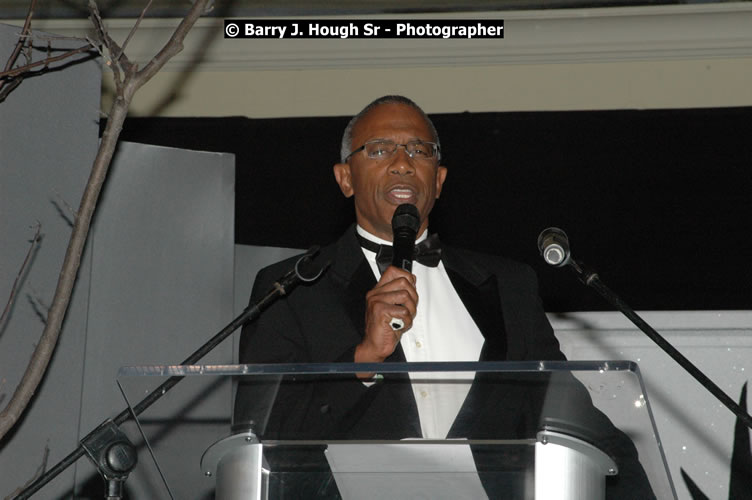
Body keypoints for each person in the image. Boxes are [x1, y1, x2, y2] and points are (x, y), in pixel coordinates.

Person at [234, 95, 655, 498]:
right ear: (345, 178)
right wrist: (361, 361)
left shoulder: (508, 285)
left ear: (439, 178)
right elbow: (264, 441)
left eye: (420, 150)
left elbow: (576, 425)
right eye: (380, 149)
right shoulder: (291, 290)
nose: (403, 163)